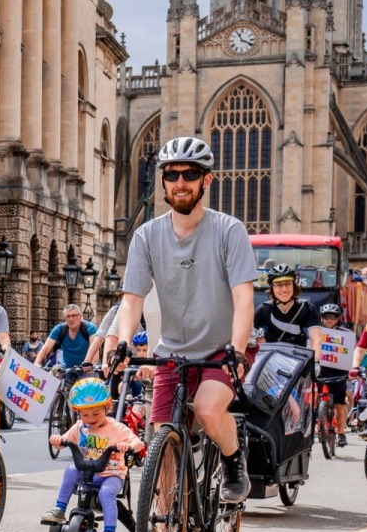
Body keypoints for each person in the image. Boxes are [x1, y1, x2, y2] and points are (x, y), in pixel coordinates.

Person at [104, 135, 256, 511]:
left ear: (207, 180)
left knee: (206, 408)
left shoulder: (229, 231)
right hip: (171, 352)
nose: (180, 182)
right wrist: (123, 341)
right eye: (172, 175)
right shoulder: (146, 236)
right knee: (162, 442)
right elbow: (132, 299)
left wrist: (237, 350)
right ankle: (161, 531)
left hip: (221, 350)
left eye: (191, 174)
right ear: (163, 182)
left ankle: (234, 461)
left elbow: (244, 299)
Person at [40, 377, 145, 532]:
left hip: (111, 475)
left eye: (96, 413)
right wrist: (57, 440)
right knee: (71, 470)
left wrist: (127, 446)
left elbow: (138, 443)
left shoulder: (116, 428)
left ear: (108, 407)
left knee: (106, 493)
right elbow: (64, 441)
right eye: (85, 414)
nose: (91, 419)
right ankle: (59, 509)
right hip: (87, 473)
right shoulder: (80, 427)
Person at [314, 302, 351, 446]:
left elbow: (350, 353)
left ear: (337, 319)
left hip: (339, 373)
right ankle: (314, 425)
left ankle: (341, 433)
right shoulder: (315, 333)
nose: (330, 320)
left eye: (333, 317)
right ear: (321, 318)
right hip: (319, 371)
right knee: (313, 401)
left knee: (340, 404)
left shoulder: (346, 335)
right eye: (326, 317)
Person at [253, 263, 316, 347]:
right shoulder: (262, 310)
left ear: (294, 286)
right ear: (272, 288)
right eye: (278, 285)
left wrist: (316, 359)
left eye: (288, 284)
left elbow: (316, 340)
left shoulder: (307, 308)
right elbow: (250, 339)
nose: (284, 289)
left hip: (298, 357)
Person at [35, 304, 98, 370]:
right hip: (67, 368)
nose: (71, 319)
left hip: (87, 367)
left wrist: (91, 368)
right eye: (68, 316)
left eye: (74, 315)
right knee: (55, 371)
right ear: (64, 318)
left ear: (80, 316)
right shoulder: (59, 329)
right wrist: (37, 363)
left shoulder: (90, 328)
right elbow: (46, 348)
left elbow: (95, 350)